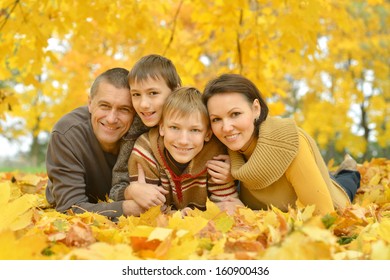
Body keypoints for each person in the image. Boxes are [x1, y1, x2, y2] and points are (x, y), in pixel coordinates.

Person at [202, 73, 361, 216]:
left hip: (330, 197)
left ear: (256, 109)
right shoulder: (223, 146)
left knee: (346, 180)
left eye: (235, 114)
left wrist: (252, 216)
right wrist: (234, 178)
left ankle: (349, 169)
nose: (226, 127)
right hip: (287, 190)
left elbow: (322, 213)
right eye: (216, 119)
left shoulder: (289, 143)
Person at [110, 54, 234, 212]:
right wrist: (131, 190)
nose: (144, 104)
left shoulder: (201, 114)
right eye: (136, 94)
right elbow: (118, 185)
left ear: (175, 90)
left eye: (153, 93)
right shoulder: (137, 132)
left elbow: (231, 138)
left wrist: (235, 170)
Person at [45, 67, 145, 219]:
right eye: (104, 106)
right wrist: (126, 208)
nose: (111, 118)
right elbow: (70, 208)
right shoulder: (67, 133)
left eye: (124, 109)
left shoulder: (144, 135)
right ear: (90, 103)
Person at [127, 86, 241, 215]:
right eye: (175, 127)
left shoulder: (214, 154)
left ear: (208, 134)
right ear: (162, 128)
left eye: (195, 130)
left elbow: (227, 203)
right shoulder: (146, 149)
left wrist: (197, 217)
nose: (183, 141)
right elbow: (145, 206)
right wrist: (176, 216)